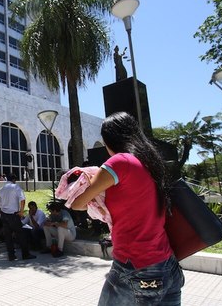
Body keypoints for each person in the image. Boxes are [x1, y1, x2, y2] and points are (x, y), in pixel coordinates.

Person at [70, 112, 185, 306]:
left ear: (109, 141)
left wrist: (89, 181)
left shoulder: (119, 162)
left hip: (136, 266)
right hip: (167, 265)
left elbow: (77, 203)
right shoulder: (149, 162)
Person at [0, 174, 36, 261]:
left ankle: (11, 255)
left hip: (4, 214)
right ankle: (25, 254)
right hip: (13, 215)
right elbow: (22, 199)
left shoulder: (1, 189)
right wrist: (21, 211)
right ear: (14, 180)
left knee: (8, 237)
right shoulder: (16, 187)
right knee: (21, 235)